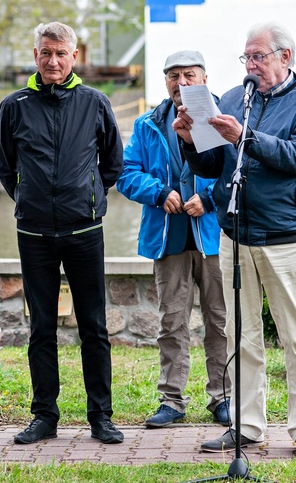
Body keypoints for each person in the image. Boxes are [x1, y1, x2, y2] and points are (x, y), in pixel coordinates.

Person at [172, 22, 296, 459]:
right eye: (247, 57)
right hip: (235, 234)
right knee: (242, 335)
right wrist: (190, 141)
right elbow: (212, 167)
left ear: (285, 56)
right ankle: (247, 426)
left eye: (259, 56)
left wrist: (244, 136)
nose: (251, 65)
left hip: (285, 235)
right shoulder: (231, 99)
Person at [0, 21, 125, 445]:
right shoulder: (14, 105)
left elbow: (112, 162)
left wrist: (89, 196)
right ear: (35, 55)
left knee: (94, 326)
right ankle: (44, 416)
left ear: (74, 57)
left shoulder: (95, 103)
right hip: (34, 233)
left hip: (84, 228)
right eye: (46, 53)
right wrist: (27, 197)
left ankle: (100, 416)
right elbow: (4, 164)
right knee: (41, 328)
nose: (53, 61)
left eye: (61, 53)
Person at [116, 50, 230, 429]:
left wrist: (209, 198)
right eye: (173, 76)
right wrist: (159, 192)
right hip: (168, 238)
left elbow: (236, 169)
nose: (181, 82)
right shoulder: (148, 124)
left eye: (189, 75)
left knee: (220, 321)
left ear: (204, 79)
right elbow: (125, 173)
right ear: (165, 81)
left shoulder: (223, 118)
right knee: (171, 322)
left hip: (213, 236)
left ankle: (223, 397)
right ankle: (171, 400)